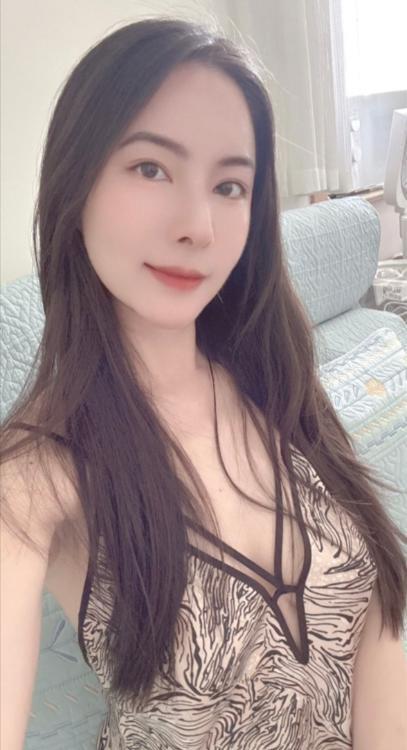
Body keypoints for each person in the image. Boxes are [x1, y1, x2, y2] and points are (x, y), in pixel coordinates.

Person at [1, 16, 406, 750]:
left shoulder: (273, 378)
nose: (199, 226)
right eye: (151, 168)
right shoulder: (36, 473)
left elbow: (378, 603)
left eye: (229, 185)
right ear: (75, 181)